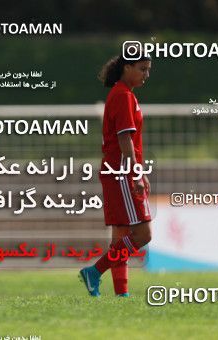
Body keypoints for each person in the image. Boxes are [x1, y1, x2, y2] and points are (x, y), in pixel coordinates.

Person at [79, 45, 152, 297]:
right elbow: (125, 140)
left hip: (116, 171)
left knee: (121, 234)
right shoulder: (123, 96)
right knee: (143, 235)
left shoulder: (123, 94)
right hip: (121, 171)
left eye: (148, 70)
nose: (146, 74)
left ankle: (121, 293)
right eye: (142, 69)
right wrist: (137, 173)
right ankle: (94, 272)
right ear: (127, 67)